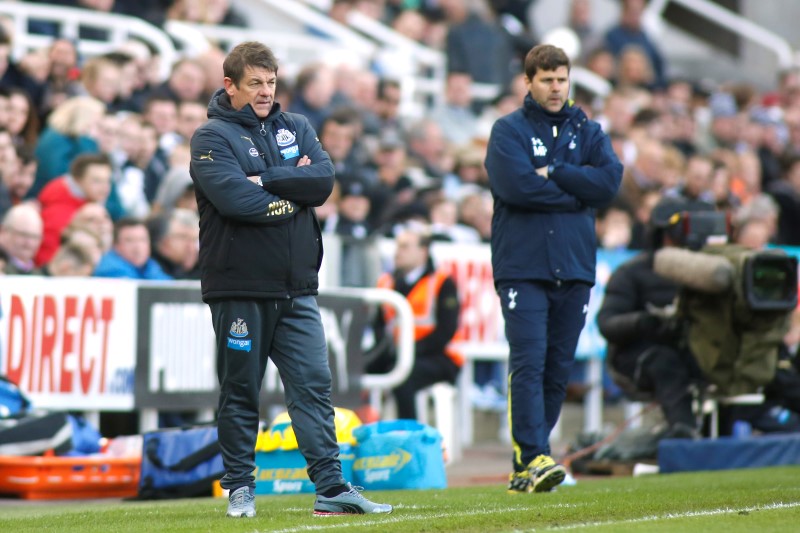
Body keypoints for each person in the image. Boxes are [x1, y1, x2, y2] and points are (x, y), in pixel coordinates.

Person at [189, 41, 392, 518]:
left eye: (271, 82)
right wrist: (289, 186)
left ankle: (331, 487)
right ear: (230, 85)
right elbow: (237, 202)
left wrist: (265, 179)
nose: (265, 92)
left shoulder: (295, 126)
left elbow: (321, 183)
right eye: (255, 83)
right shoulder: (211, 137)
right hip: (240, 287)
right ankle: (240, 488)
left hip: (298, 287)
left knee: (314, 386)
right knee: (241, 390)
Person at [484, 44, 623, 494]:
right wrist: (578, 193)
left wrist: (558, 171)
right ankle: (533, 455)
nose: (555, 87)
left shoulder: (589, 130)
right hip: (523, 266)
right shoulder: (508, 130)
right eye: (546, 79)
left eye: (561, 78)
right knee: (528, 361)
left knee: (558, 367)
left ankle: (529, 462)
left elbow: (610, 183)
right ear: (528, 83)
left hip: (576, 266)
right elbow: (517, 187)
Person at [596, 197, 708, 440]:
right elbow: (607, 322)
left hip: (693, 348)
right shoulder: (631, 273)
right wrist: (645, 322)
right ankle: (684, 433)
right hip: (638, 355)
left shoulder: (706, 273)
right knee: (664, 362)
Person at [367, 225, 463, 419]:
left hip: (440, 357)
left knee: (404, 377)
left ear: (423, 251)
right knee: (352, 371)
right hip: (397, 354)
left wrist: (407, 353)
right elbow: (378, 325)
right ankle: (351, 433)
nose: (397, 252)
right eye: (397, 246)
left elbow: (446, 331)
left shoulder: (442, 282)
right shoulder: (386, 281)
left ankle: (408, 437)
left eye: (405, 246)